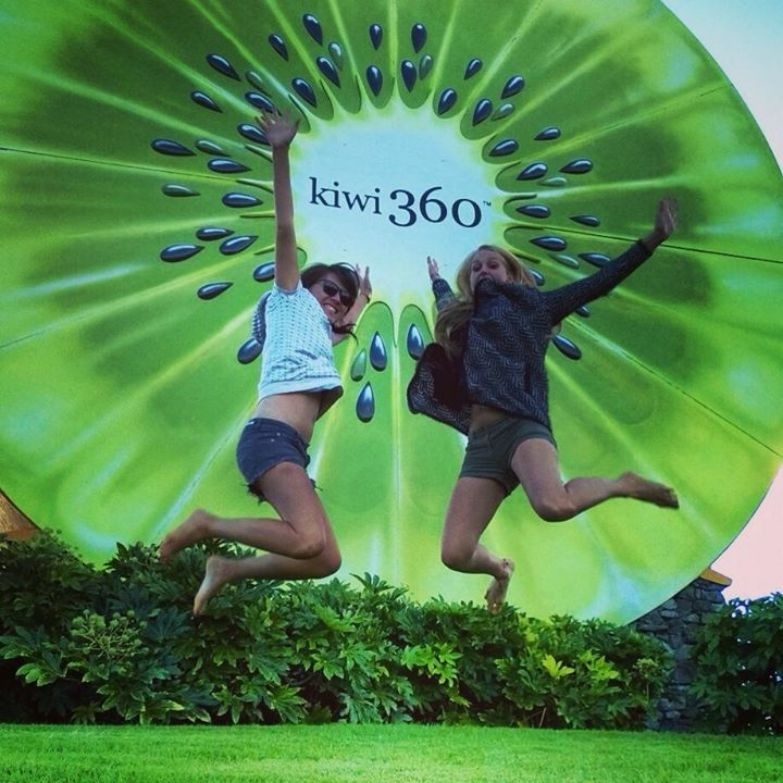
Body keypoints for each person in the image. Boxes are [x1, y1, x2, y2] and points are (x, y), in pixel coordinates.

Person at [407, 199, 679, 613]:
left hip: (522, 427)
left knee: (553, 505)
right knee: (455, 552)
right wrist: (437, 280)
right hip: (481, 443)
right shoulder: (464, 322)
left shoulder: (536, 309)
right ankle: (501, 570)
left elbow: (598, 282)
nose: (483, 271)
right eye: (476, 268)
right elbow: (446, 302)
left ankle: (621, 483)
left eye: (493, 265)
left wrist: (651, 240)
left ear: (512, 274)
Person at [160, 110, 372, 614]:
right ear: (307, 282)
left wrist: (361, 299)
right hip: (269, 438)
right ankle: (207, 524)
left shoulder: (315, 335)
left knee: (325, 558)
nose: (336, 300)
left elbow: (340, 327)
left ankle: (228, 569)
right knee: (306, 539)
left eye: (342, 297)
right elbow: (285, 224)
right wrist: (279, 149)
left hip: (289, 448)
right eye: (330, 289)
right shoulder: (290, 297)